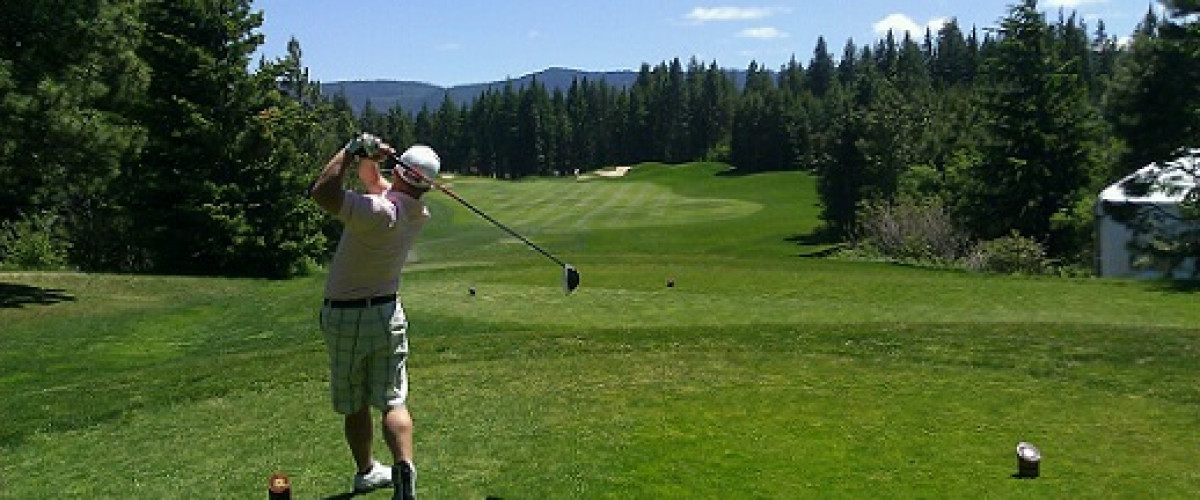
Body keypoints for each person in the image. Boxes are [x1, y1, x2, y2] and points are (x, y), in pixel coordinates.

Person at [309, 133, 441, 500]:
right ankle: (404, 466)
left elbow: (322, 193)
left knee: (355, 403)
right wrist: (374, 156)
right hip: (387, 314)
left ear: (401, 172)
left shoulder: (376, 211)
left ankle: (367, 471)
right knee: (392, 400)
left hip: (345, 317)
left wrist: (352, 150)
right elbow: (372, 179)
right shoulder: (416, 213)